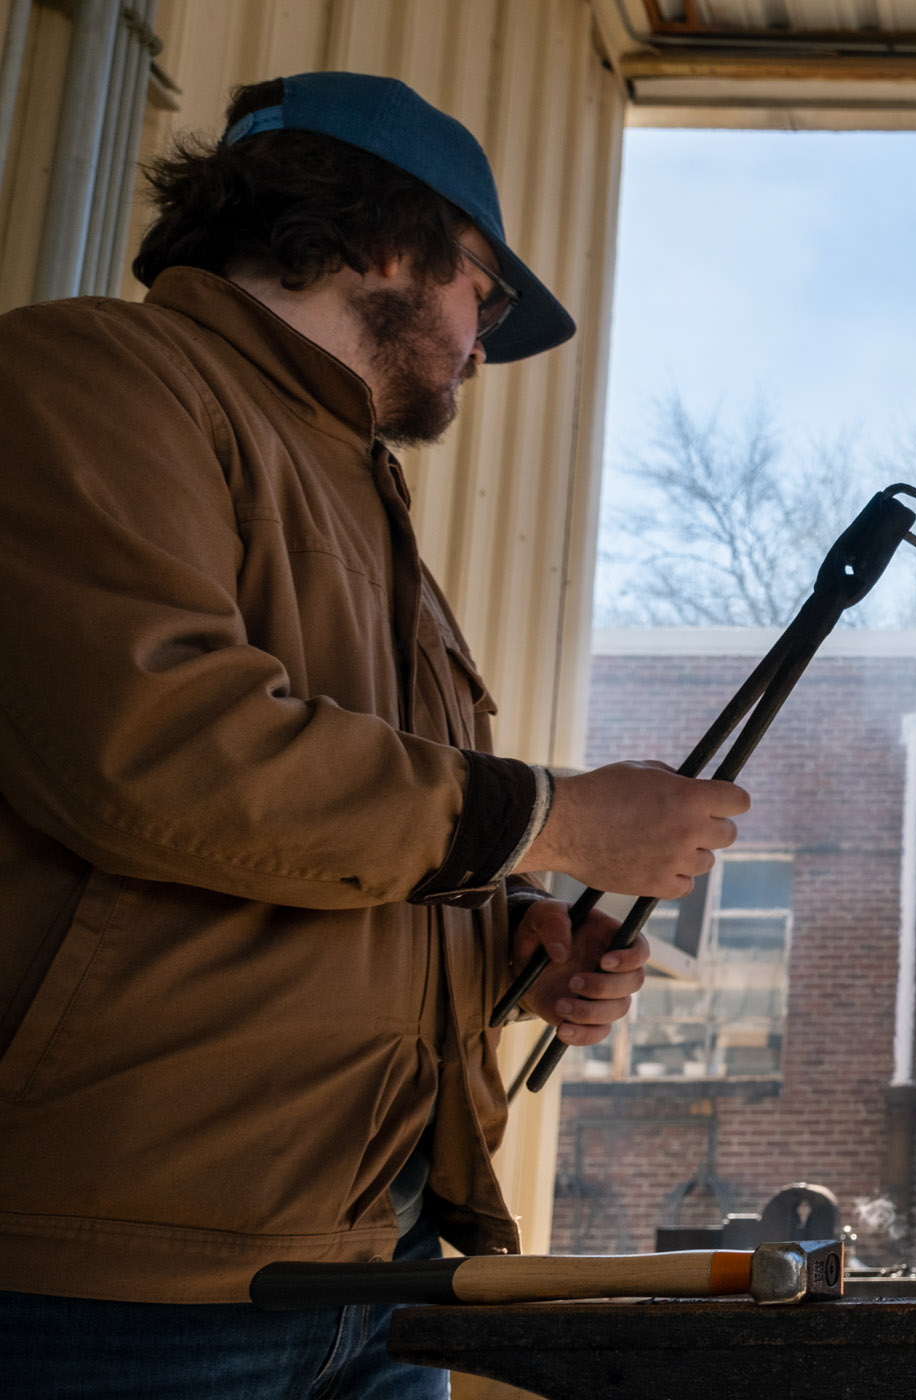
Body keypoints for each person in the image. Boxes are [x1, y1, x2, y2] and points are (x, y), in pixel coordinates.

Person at [0, 73, 749, 1396]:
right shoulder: (89, 377)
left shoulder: (365, 498)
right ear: (390, 244)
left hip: (379, 1263)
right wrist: (557, 819)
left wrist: (512, 943)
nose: (480, 343)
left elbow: (349, 851)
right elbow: (161, 753)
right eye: (487, 294)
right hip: (128, 1283)